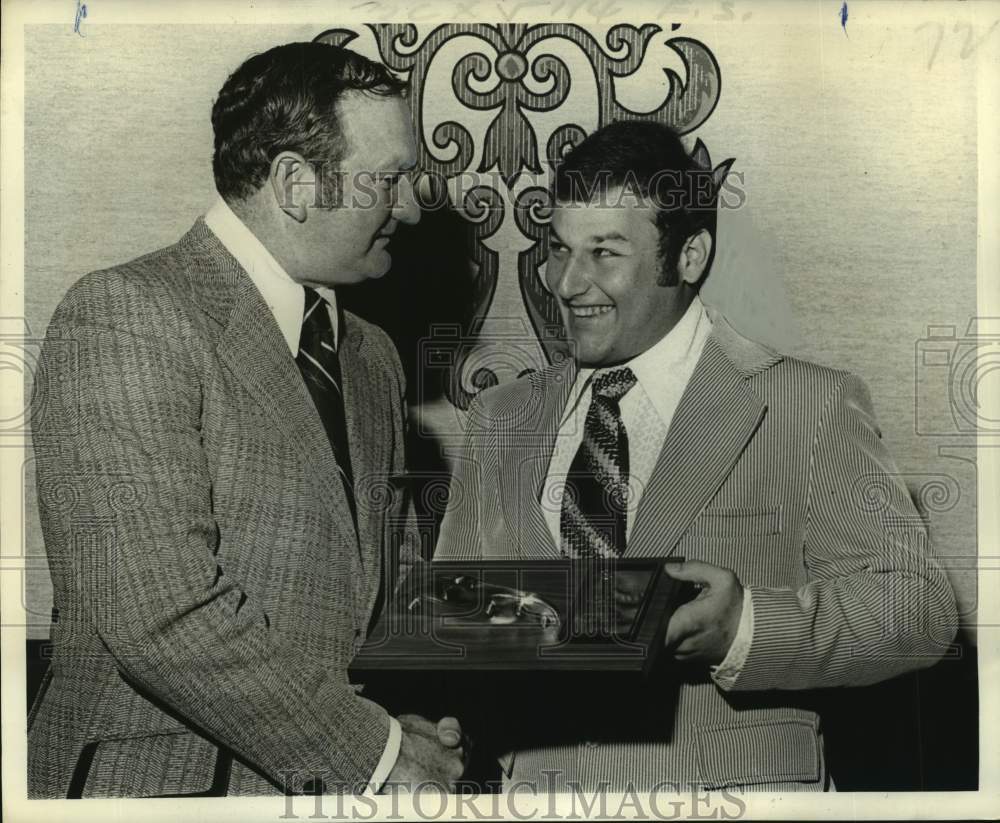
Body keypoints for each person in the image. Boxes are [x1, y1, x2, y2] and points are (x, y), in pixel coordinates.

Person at [435, 120, 958, 792]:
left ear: (688, 256)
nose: (567, 282)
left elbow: (920, 611)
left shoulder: (808, 404)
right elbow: (451, 620)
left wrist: (745, 626)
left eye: (605, 252)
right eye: (560, 248)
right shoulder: (499, 418)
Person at [28, 42, 464, 798]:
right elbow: (158, 610)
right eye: (389, 181)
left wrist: (418, 719)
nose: (413, 208)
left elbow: (388, 597)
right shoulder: (126, 316)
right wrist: (379, 753)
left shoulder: (372, 355)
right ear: (295, 182)